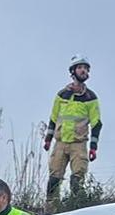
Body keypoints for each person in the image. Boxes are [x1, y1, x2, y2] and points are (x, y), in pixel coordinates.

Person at [43, 55, 101, 202]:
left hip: (78, 145)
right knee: (53, 182)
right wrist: (48, 139)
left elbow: (96, 123)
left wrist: (93, 147)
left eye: (86, 69)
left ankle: (77, 209)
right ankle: (51, 212)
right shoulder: (62, 95)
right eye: (80, 68)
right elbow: (53, 118)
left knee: (77, 182)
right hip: (60, 144)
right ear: (73, 71)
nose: (84, 71)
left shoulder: (90, 98)